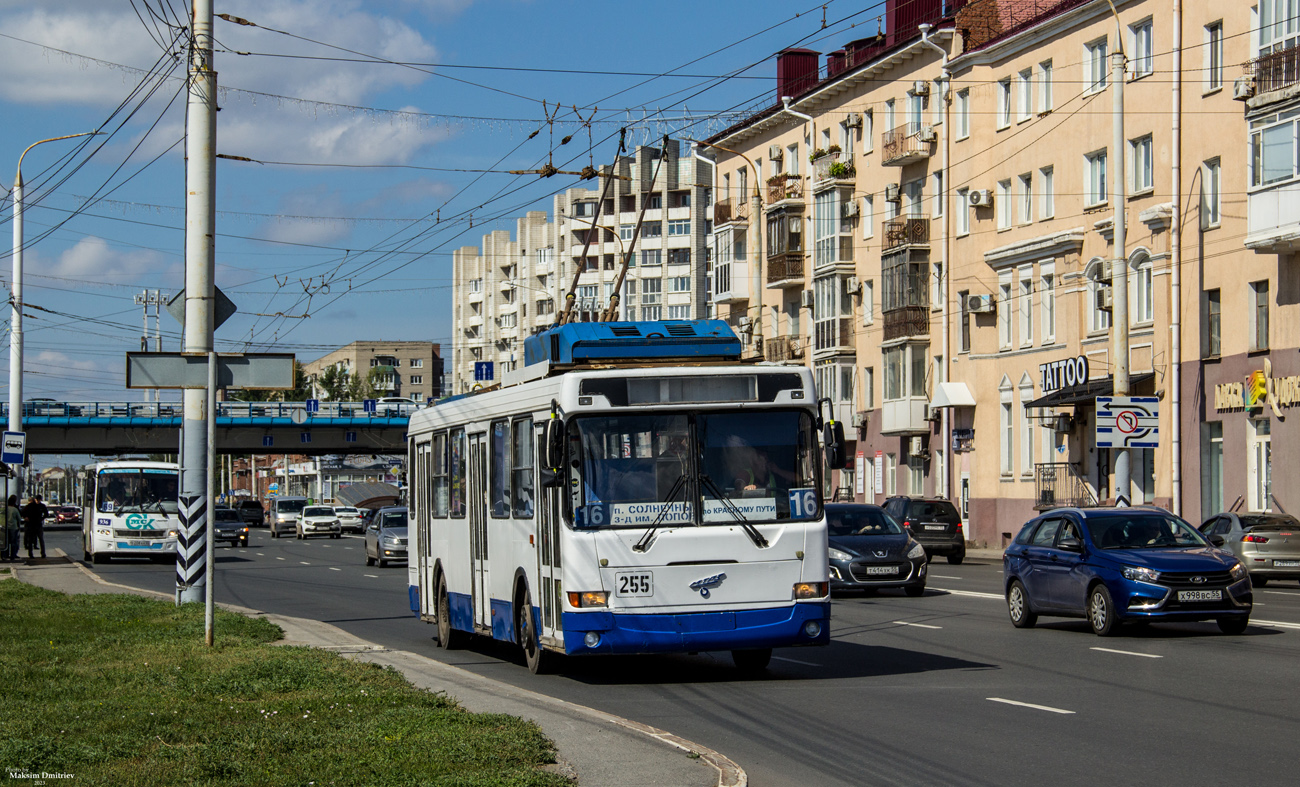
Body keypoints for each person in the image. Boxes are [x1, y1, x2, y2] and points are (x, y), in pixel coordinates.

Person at [22, 494, 46, 559]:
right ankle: (31, 553)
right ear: (35, 499)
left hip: (36, 524)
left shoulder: (41, 506)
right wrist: (26, 517)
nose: (38, 501)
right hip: (32, 524)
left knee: (40, 539)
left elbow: (46, 514)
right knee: (32, 539)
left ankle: (42, 553)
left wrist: (42, 518)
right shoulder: (31, 506)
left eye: (39, 500)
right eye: (37, 500)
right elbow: (23, 512)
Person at [3, 495, 18, 562]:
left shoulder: (4, 509)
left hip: (5, 527)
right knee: (13, 542)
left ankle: (4, 555)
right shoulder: (15, 509)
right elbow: (19, 518)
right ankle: (12, 556)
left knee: (5, 541)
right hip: (13, 527)